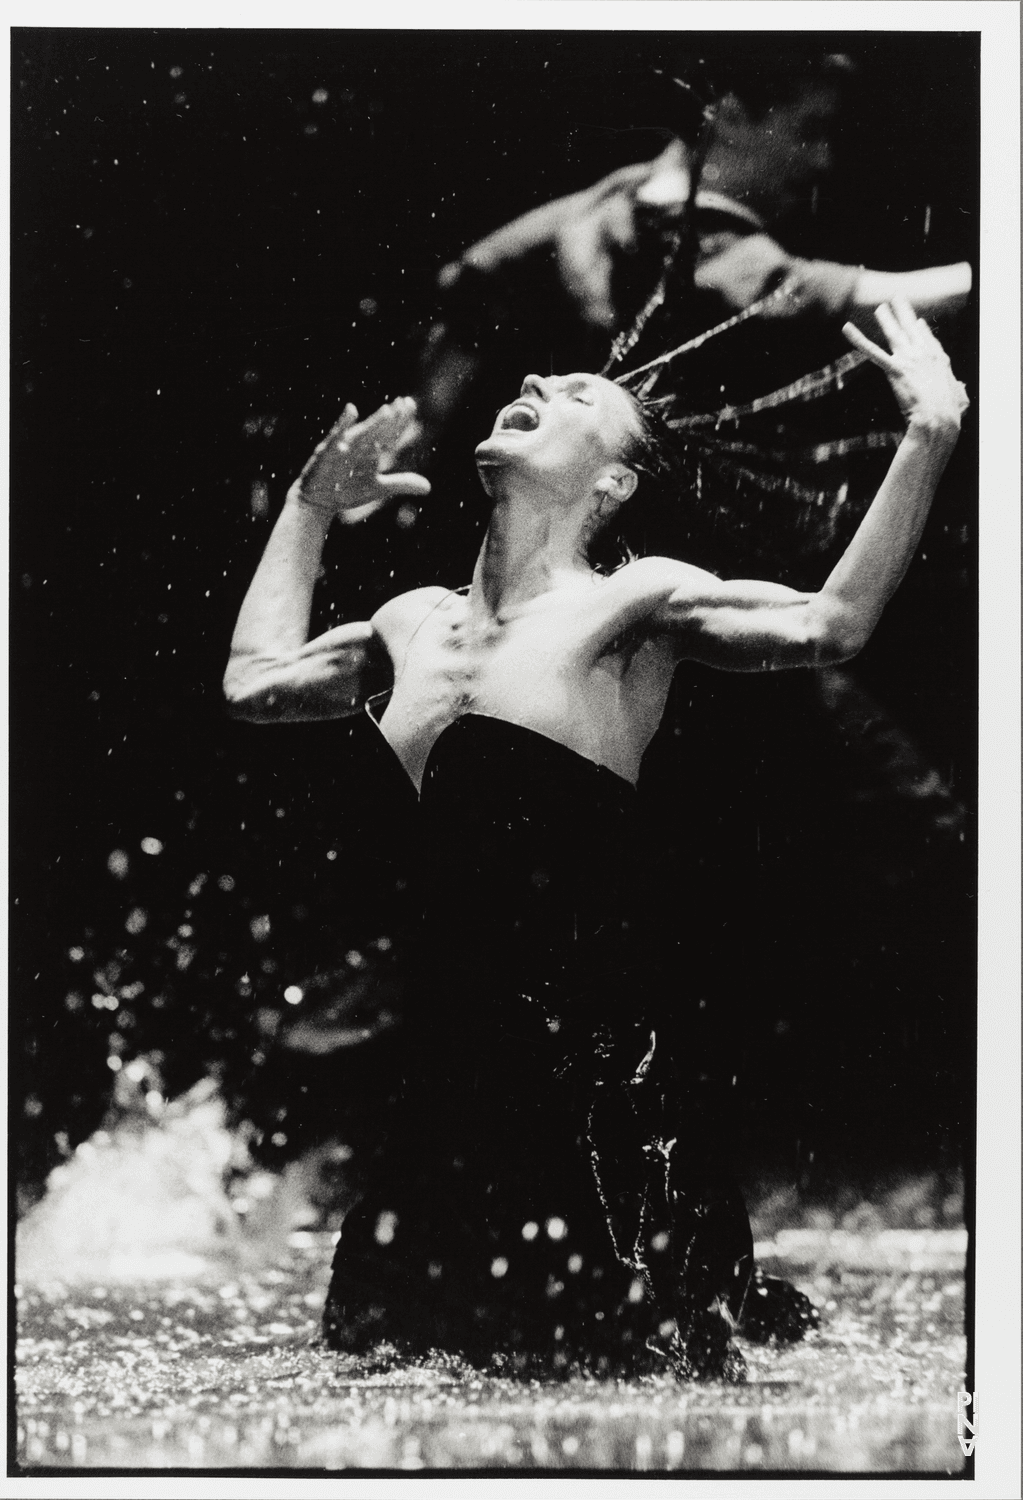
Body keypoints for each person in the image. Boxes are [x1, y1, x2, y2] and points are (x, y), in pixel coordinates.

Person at [223, 301, 967, 1378]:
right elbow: (251, 684)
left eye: (582, 396)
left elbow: (827, 625)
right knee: (388, 1381)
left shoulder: (636, 603)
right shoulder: (406, 623)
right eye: (542, 382)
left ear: (613, 484)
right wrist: (306, 507)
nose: (539, 384)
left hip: (602, 1112)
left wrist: (929, 435)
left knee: (639, 1393)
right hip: (442, 1108)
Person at [415, 51, 971, 452]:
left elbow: (475, 280)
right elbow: (857, 303)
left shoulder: (618, 193)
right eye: (809, 129)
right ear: (728, 116)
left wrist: (428, 421)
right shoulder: (679, 232)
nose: (821, 160)